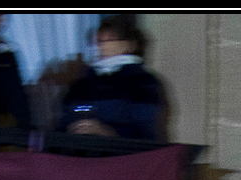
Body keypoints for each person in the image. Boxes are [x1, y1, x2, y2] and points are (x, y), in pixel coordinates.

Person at [59, 14, 167, 143]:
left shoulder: (143, 82)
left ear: (130, 45)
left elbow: (146, 135)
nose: (102, 47)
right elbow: (62, 123)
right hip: (80, 154)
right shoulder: (83, 83)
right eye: (99, 41)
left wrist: (106, 133)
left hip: (122, 158)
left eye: (110, 40)